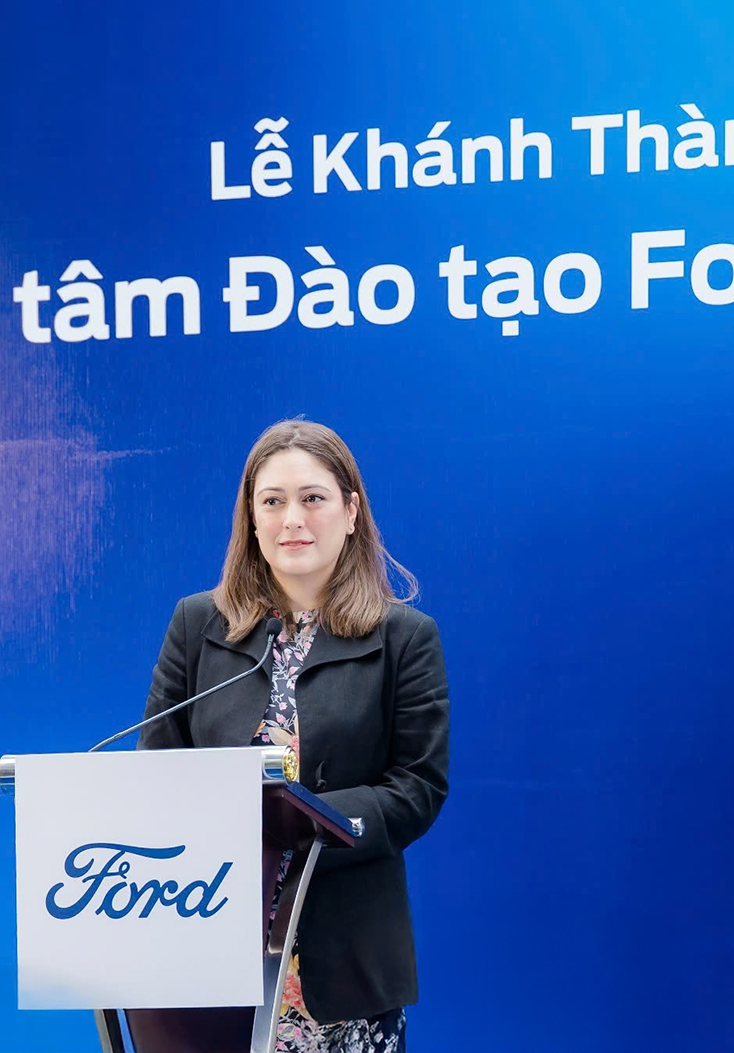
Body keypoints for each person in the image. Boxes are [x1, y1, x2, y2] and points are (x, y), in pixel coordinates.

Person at [139, 419, 450, 1052]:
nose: (293, 520)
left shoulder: (405, 638)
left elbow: (417, 788)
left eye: (313, 498)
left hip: (344, 957)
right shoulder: (198, 624)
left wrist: (306, 826)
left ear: (351, 512)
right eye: (273, 502)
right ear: (251, 520)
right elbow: (157, 770)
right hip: (208, 941)